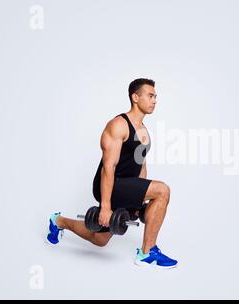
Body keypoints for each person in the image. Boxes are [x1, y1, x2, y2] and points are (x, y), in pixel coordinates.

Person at [46, 78, 178, 269]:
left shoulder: (144, 132)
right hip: (110, 185)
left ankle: (58, 221)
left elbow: (141, 166)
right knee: (162, 190)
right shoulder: (118, 125)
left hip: (127, 186)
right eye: (150, 96)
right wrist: (106, 207)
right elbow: (109, 167)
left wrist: (138, 200)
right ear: (135, 97)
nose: (154, 100)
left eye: (155, 96)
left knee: (99, 239)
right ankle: (147, 252)